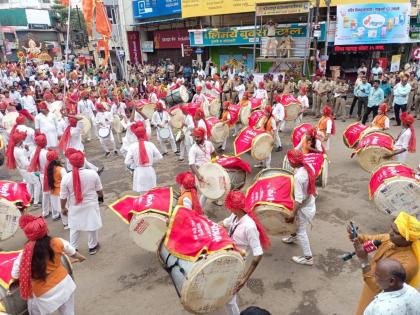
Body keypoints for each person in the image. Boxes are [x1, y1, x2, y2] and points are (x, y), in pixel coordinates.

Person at [10, 214, 86, 315]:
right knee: (68, 313)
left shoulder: (24, 255)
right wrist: (80, 257)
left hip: (43, 293)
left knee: (33, 310)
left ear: (28, 234)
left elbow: (15, 275)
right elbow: (72, 252)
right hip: (65, 285)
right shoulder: (57, 241)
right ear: (46, 230)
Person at [350, 211, 420, 315]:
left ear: (408, 239)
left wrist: (364, 261)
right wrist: (356, 236)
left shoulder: (408, 264)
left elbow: (381, 288)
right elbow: (368, 239)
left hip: (382, 297)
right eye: (391, 227)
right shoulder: (390, 239)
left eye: (396, 232)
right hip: (370, 286)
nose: (391, 232)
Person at [222, 191, 270, 315]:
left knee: (230, 299)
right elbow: (224, 223)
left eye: (230, 206)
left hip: (236, 266)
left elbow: (258, 254)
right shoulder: (235, 216)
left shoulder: (249, 226)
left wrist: (244, 278)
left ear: (235, 207)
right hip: (226, 257)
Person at [60, 150, 103, 255]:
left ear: (70, 163)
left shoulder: (66, 177)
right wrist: (101, 198)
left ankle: (73, 248)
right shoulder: (92, 173)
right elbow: (99, 190)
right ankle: (92, 247)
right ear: (83, 161)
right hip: (91, 204)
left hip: (74, 205)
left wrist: (63, 208)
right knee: (92, 224)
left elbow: (63, 196)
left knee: (74, 227)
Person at [282, 149, 317, 266]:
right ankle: (293, 236)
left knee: (301, 230)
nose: (288, 162)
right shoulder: (308, 166)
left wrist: (292, 214)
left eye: (289, 161)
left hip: (304, 207)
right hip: (310, 202)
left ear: (293, 162)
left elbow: (298, 199)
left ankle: (308, 258)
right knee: (298, 227)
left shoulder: (298, 177)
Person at [124, 125, 162, 194]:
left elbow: (127, 161)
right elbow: (159, 156)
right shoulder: (150, 144)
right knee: (152, 193)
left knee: (142, 194)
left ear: (136, 135)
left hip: (139, 171)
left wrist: (135, 162)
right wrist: (150, 160)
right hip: (149, 170)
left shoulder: (132, 146)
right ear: (145, 134)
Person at [7, 130, 41, 206]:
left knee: (29, 183)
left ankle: (29, 198)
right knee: (37, 184)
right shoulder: (19, 151)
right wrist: (33, 163)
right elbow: (26, 164)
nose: (23, 141)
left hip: (21, 169)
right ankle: (36, 202)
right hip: (26, 169)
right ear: (19, 141)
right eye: (22, 140)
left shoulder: (14, 149)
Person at [188, 127, 215, 208]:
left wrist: (216, 163)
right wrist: (198, 175)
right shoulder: (193, 149)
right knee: (205, 192)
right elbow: (191, 164)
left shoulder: (209, 144)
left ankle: (216, 199)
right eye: (195, 137)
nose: (196, 139)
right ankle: (199, 211)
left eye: (198, 137)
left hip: (210, 169)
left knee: (215, 184)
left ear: (203, 136)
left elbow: (214, 153)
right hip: (200, 172)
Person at [28, 134, 49, 217]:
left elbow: (32, 164)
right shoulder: (47, 153)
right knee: (51, 194)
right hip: (48, 175)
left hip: (41, 175)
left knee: (45, 193)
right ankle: (55, 213)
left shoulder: (34, 152)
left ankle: (45, 212)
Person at [45, 150, 68, 228]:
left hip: (54, 193)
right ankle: (69, 223)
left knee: (61, 209)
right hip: (62, 192)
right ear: (56, 159)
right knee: (65, 208)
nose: (59, 157)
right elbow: (66, 181)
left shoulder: (49, 169)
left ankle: (65, 224)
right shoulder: (61, 169)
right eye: (58, 156)